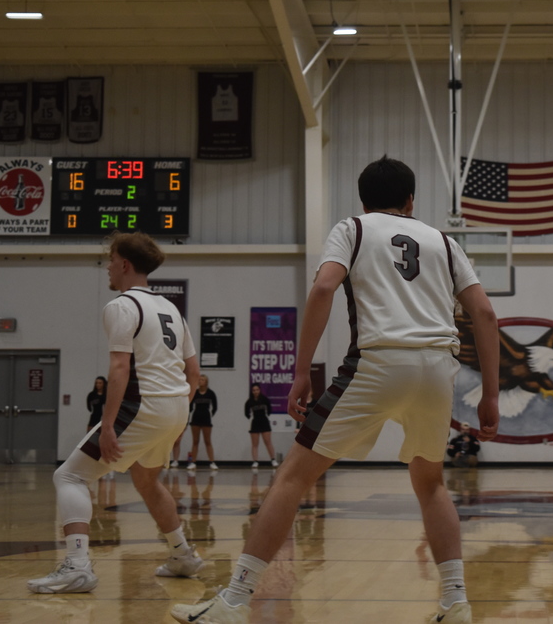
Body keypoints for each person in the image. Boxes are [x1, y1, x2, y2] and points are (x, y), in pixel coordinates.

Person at [171, 156, 500, 624]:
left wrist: (301, 370)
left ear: (363, 201)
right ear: (411, 201)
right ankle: (455, 603)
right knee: (430, 483)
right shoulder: (444, 241)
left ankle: (235, 601)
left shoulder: (353, 228)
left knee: (292, 477)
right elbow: (485, 315)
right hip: (438, 367)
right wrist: (490, 393)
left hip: (379, 360)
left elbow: (325, 287)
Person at [28, 231, 203, 594]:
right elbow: (194, 372)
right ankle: (183, 555)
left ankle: (77, 566)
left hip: (143, 405)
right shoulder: (172, 308)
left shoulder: (122, 306)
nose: (107, 267)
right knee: (147, 481)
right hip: (173, 406)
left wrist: (106, 425)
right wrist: (177, 416)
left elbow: (120, 369)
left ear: (124, 264)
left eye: (110, 260)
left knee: (70, 477)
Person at [187, 375, 218, 470]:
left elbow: (215, 406)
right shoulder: (195, 393)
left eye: (202, 380)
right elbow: (190, 406)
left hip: (206, 419)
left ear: (206, 382)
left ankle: (212, 462)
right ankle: (193, 462)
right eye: (199, 379)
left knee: (207, 441)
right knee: (195, 441)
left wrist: (210, 414)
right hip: (196, 418)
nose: (200, 381)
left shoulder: (211, 393)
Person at [244, 383, 277, 468]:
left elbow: (269, 409)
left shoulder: (265, 399)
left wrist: (268, 414)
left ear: (260, 390)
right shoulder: (249, 402)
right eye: (254, 390)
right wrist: (248, 416)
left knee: (268, 442)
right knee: (255, 444)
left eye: (257, 390)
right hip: (255, 422)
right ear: (252, 391)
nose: (255, 392)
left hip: (264, 422)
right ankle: (255, 461)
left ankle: (273, 459)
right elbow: (246, 413)